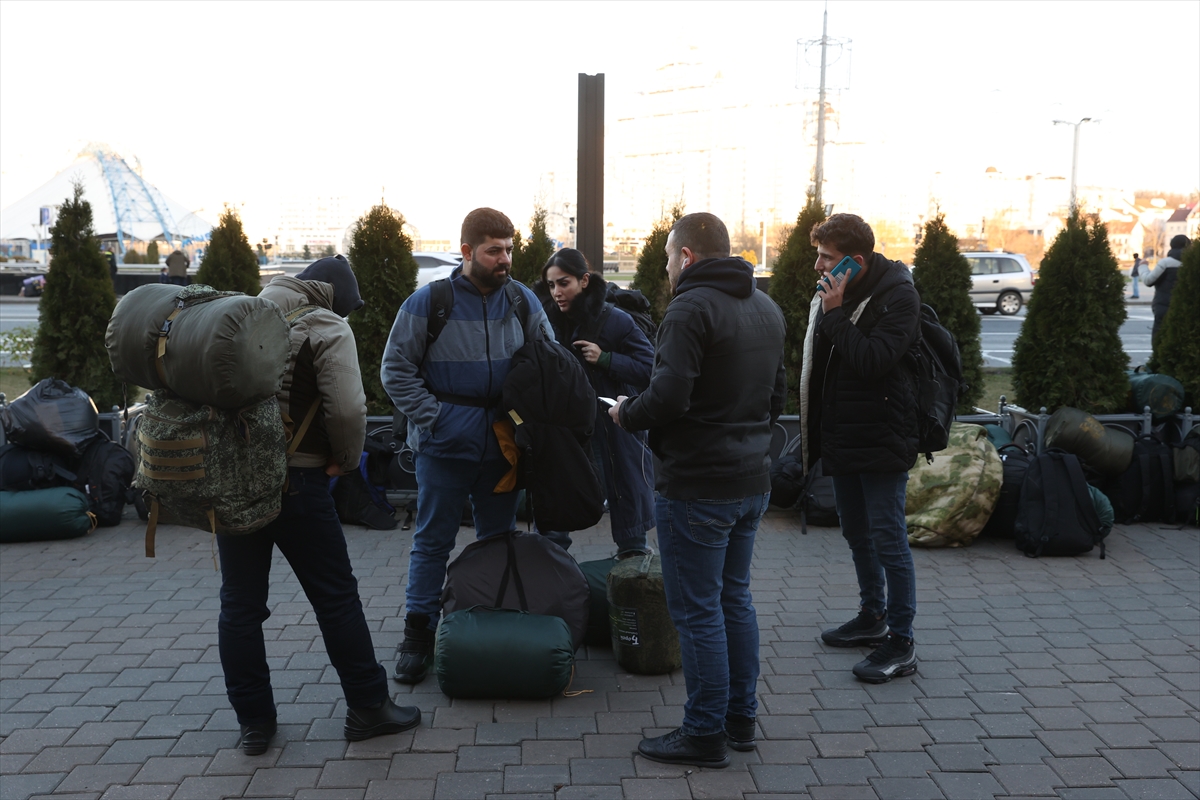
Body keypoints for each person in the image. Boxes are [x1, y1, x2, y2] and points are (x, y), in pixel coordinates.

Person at [219, 255, 421, 756]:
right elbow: (348, 408)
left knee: (240, 607)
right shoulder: (323, 324)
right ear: (336, 297)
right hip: (299, 482)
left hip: (236, 482)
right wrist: (346, 462)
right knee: (335, 597)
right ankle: (369, 708)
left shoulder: (243, 315)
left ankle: (254, 723)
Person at [610, 212, 785, 769]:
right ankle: (739, 720)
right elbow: (775, 398)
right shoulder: (766, 306)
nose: (664, 269)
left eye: (665, 257)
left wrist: (625, 414)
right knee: (735, 600)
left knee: (698, 613)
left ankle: (705, 731)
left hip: (697, 484)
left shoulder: (690, 307)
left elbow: (668, 397)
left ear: (685, 256)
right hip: (751, 478)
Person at [381, 208, 554, 685]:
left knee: (497, 542)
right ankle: (418, 634)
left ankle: (488, 627)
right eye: (494, 250)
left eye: (510, 250)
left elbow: (549, 361)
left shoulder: (522, 301)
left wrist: (530, 419)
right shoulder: (427, 303)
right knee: (432, 541)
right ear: (466, 252)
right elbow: (395, 371)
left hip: (503, 445)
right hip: (442, 449)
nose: (505, 260)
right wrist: (437, 420)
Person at [798, 213, 922, 685]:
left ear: (857, 260)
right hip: (847, 434)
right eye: (819, 255)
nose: (817, 266)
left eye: (827, 258)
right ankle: (873, 615)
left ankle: (903, 640)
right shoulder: (837, 290)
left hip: (884, 436)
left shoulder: (898, 295)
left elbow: (873, 360)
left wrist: (834, 316)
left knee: (889, 537)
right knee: (855, 531)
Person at [536, 249, 656, 554]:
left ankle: (633, 584)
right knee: (556, 514)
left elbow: (651, 368)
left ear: (585, 280)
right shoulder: (546, 323)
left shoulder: (614, 320)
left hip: (612, 430)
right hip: (566, 432)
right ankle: (555, 581)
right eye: (551, 286)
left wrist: (606, 359)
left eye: (564, 283)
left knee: (627, 511)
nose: (557, 292)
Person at [1143, 234, 1188, 346]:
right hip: (1185, 307)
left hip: (1163, 306)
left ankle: (1158, 361)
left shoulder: (1166, 263)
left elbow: (1148, 281)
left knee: (1160, 339)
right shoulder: (1193, 263)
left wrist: (1142, 267)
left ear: (1171, 246)